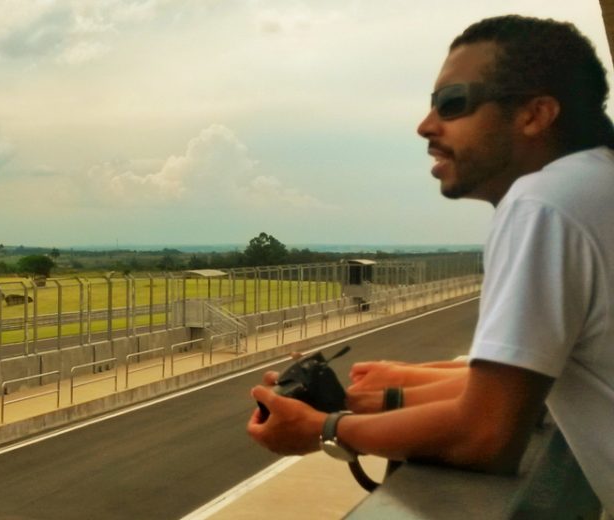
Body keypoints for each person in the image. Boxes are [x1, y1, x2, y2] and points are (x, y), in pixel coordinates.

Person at [247, 14, 614, 512]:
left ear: (535, 114)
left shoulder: (543, 204)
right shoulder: (593, 187)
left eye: (453, 103)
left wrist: (325, 429)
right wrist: (382, 394)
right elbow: (512, 389)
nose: (426, 125)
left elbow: (486, 435)